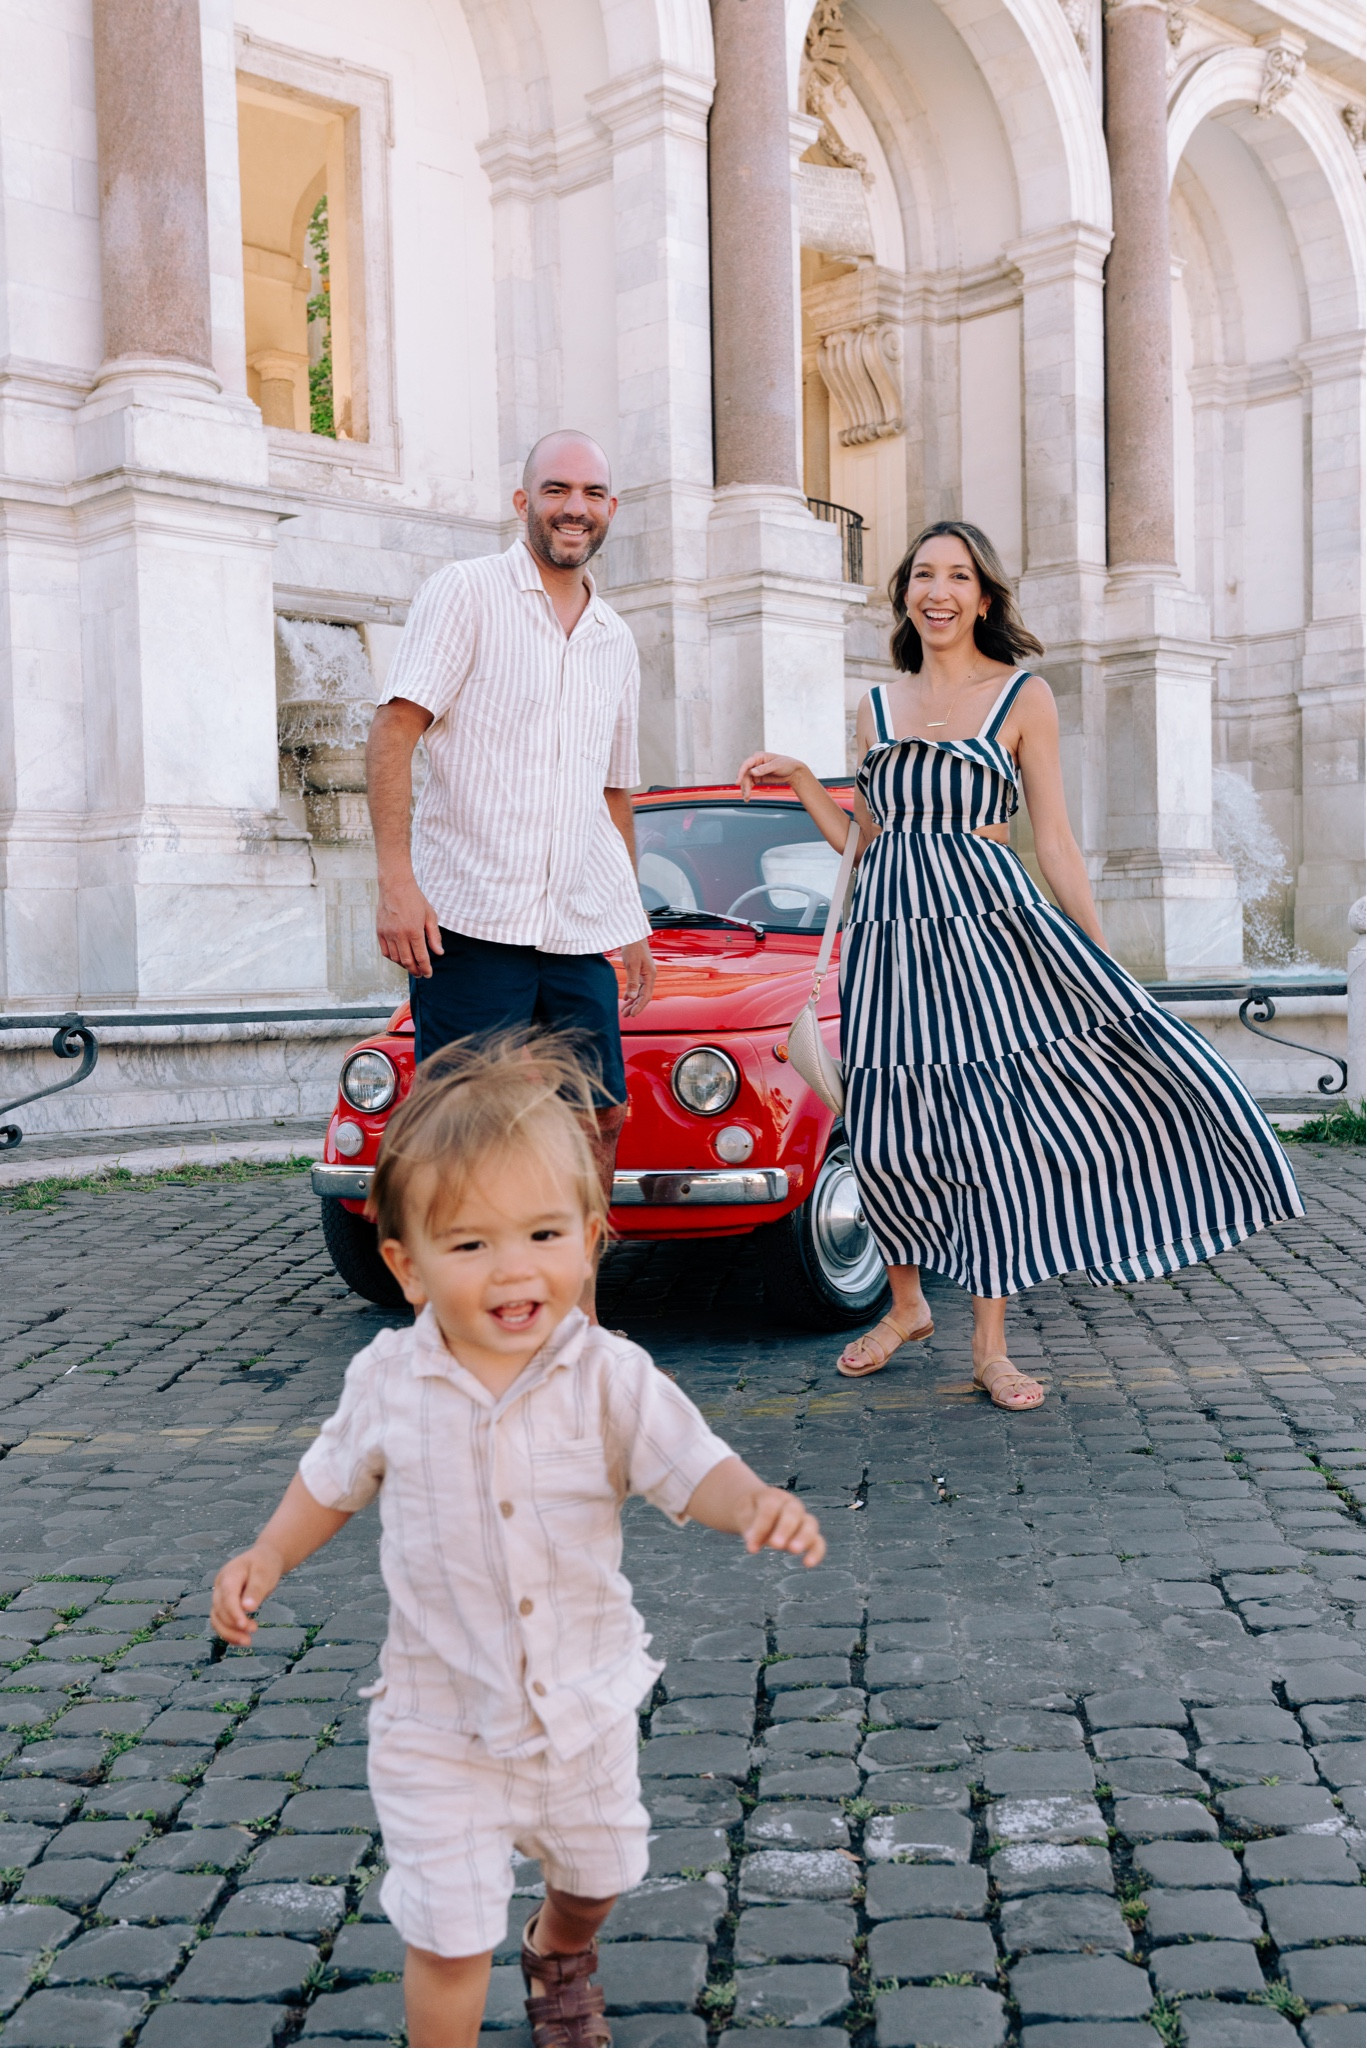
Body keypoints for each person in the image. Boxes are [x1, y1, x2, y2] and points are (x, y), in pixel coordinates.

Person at [210, 1036, 825, 2049]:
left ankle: (558, 1946)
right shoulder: (388, 1383)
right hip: (436, 1726)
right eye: (469, 1245)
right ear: (405, 1265)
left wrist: (751, 1498)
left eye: (542, 1233)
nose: (513, 1270)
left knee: (597, 1878)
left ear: (590, 1238)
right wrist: (266, 1557)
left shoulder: (608, 1376)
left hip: (581, 1710)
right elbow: (328, 1482)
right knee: (449, 1939)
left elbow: (691, 1463)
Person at [738, 520, 1302, 1406]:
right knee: (888, 1124)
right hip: (889, 937)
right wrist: (809, 781)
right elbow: (865, 842)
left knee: (985, 1131)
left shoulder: (1022, 697)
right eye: (922, 575)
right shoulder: (876, 708)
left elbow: (1057, 845)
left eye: (957, 577)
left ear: (984, 597)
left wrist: (1101, 956)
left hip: (989, 941)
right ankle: (905, 1305)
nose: (938, 591)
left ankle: (990, 1344)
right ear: (905, 594)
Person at [364, 430, 656, 1316]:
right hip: (470, 919)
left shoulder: (615, 638)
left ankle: (575, 1308)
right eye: (557, 489)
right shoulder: (466, 593)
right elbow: (392, 731)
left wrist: (630, 917)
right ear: (523, 502)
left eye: (594, 492)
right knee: (461, 1127)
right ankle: (446, 1316)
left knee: (597, 1117)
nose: (577, 506)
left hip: (576, 924)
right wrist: (395, 879)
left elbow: (612, 794)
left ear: (611, 509)